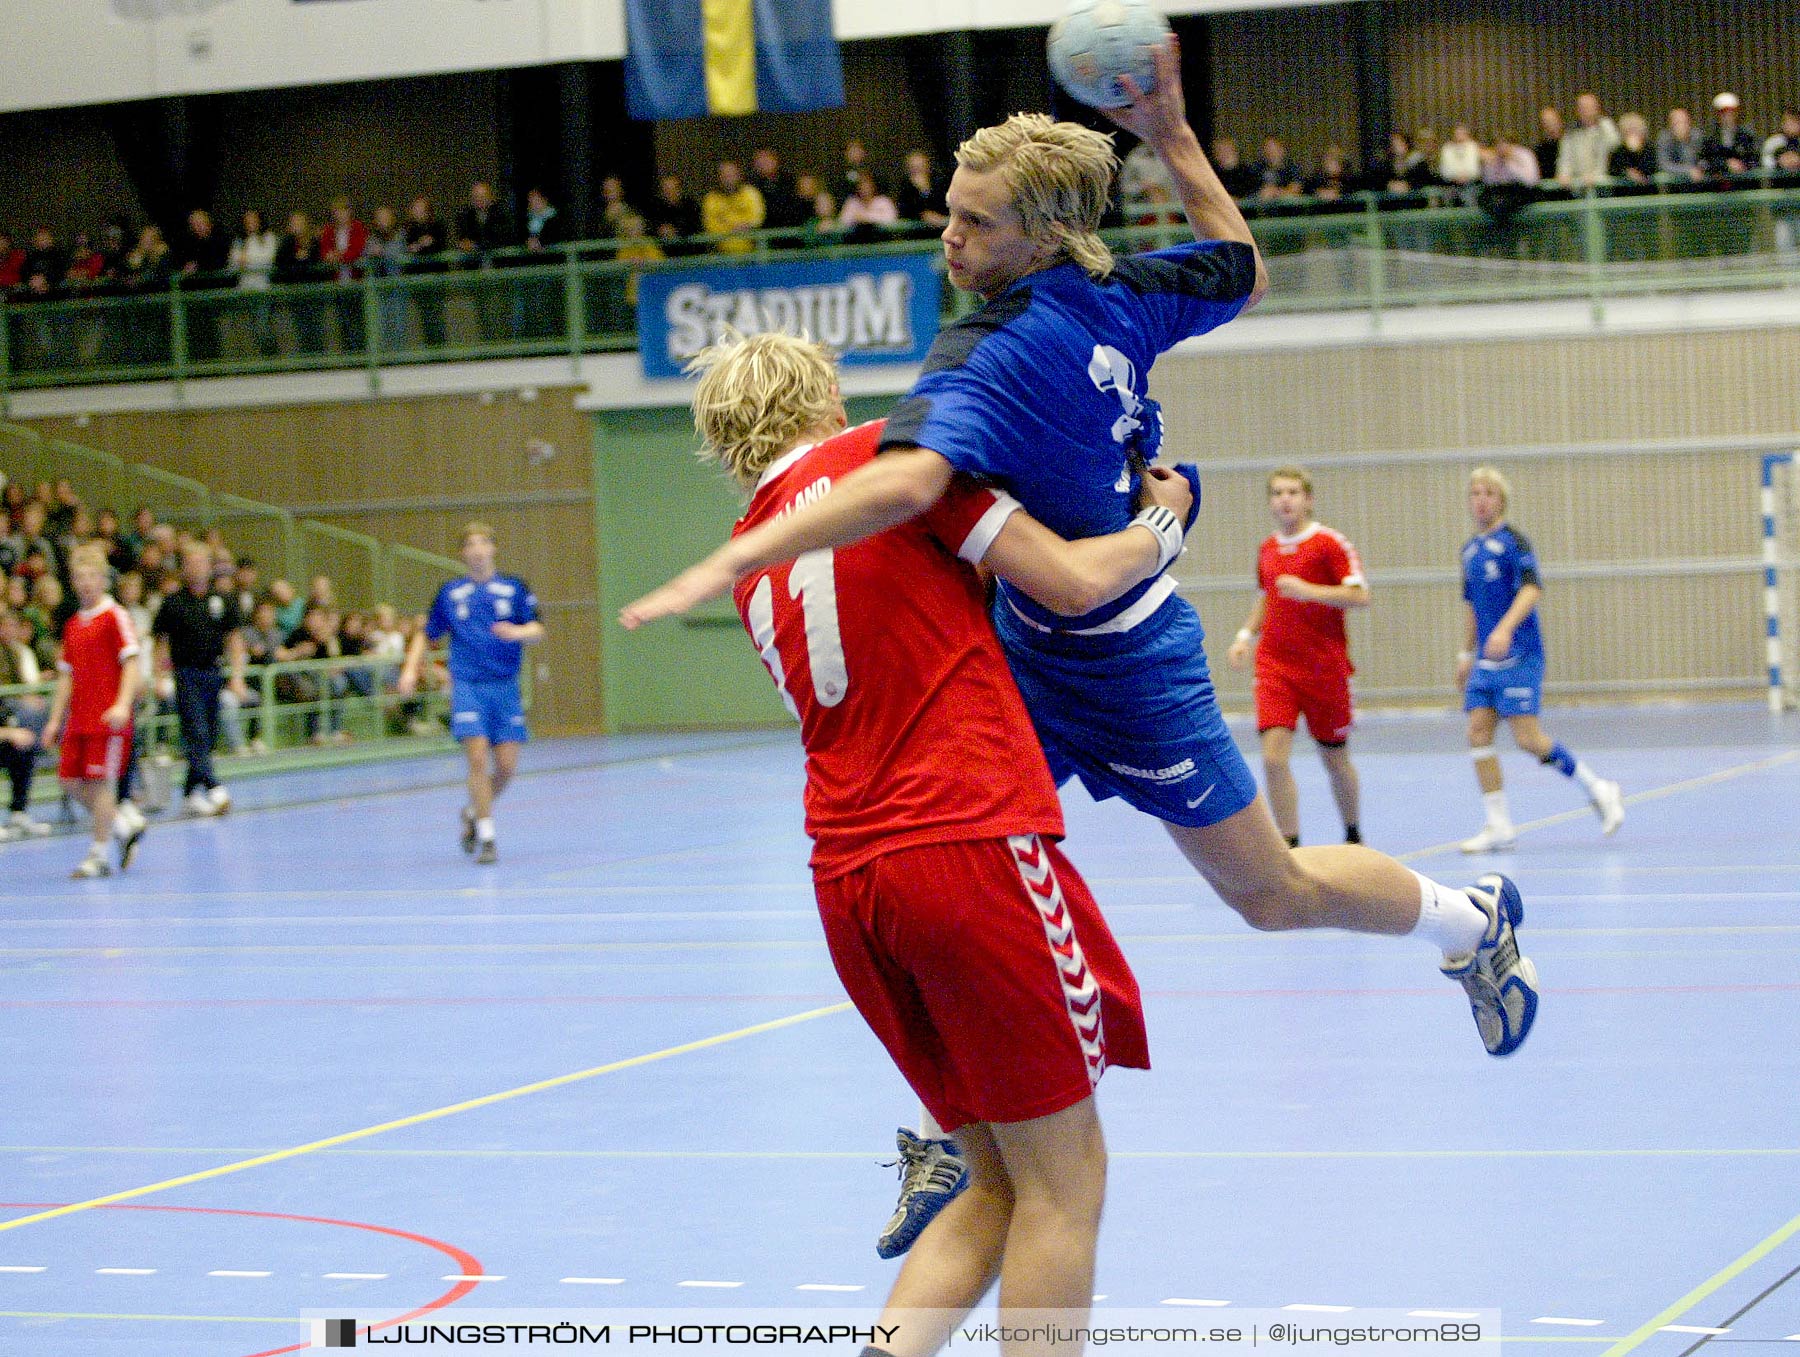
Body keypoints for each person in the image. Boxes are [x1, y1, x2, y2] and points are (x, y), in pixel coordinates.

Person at [622, 39, 1540, 1076]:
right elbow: (1242, 268)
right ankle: (962, 1124)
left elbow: (905, 482)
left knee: (1271, 895)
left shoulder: (987, 356)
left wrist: (736, 555)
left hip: (1136, 658)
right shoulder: (1125, 291)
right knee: (961, 859)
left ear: (1047, 233)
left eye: (977, 221)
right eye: (952, 210)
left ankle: (1471, 923)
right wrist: (1176, 140)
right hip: (1028, 654)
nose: (950, 236)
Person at [626, 329, 1190, 1344]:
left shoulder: (762, 553)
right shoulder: (897, 466)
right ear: (826, 396)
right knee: (1068, 1183)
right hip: (964, 845)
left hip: (851, 881)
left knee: (992, 1187)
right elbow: (1067, 578)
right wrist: (1162, 522)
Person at [1456, 467, 1625, 852]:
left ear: (1501, 500)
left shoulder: (1515, 542)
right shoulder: (1468, 551)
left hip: (1519, 654)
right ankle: (1498, 825)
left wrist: (1504, 629)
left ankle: (1598, 787)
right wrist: (1466, 653)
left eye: (1489, 493)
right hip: (1486, 660)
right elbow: (1470, 606)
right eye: (1475, 493)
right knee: (1477, 732)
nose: (1481, 500)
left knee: (1528, 739)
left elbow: (1532, 589)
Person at [1226, 467, 1367, 849]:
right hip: (1275, 667)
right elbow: (1266, 598)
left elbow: (1359, 596)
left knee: (1334, 759)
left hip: (1325, 669)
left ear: (1308, 499)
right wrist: (1244, 635)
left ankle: (1353, 834)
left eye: (1292, 492)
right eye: (1277, 493)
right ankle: (1290, 847)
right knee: (1273, 758)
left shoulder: (1329, 544)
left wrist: (1309, 590)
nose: (1284, 499)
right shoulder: (1267, 549)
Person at [396, 524, 541, 865]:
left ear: (493, 549)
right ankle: (488, 839)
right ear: (462, 554)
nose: (477, 549)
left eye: (483, 543)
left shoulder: (514, 588)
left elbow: (537, 629)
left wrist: (517, 632)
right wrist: (409, 669)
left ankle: (473, 814)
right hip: (469, 688)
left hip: (505, 688)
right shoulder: (450, 594)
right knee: (477, 759)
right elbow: (425, 635)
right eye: (470, 544)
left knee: (506, 768)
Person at [42, 546, 141, 878]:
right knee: (69, 780)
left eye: (92, 576)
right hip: (78, 719)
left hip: (107, 719)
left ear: (103, 579)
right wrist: (56, 719)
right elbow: (65, 677)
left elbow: (131, 663)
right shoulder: (72, 625)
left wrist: (122, 704)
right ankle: (123, 823)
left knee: (100, 785)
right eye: (79, 578)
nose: (86, 583)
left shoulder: (116, 616)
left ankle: (98, 854)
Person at [152, 542, 249, 817]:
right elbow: (160, 643)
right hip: (186, 674)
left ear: (209, 567)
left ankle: (190, 793)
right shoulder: (173, 603)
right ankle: (214, 786)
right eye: (191, 564)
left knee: (208, 735)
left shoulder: (222, 600)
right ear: (184, 569)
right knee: (196, 731)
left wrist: (238, 676)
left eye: (201, 563)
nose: (197, 569)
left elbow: (234, 640)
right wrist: (159, 677)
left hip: (213, 672)